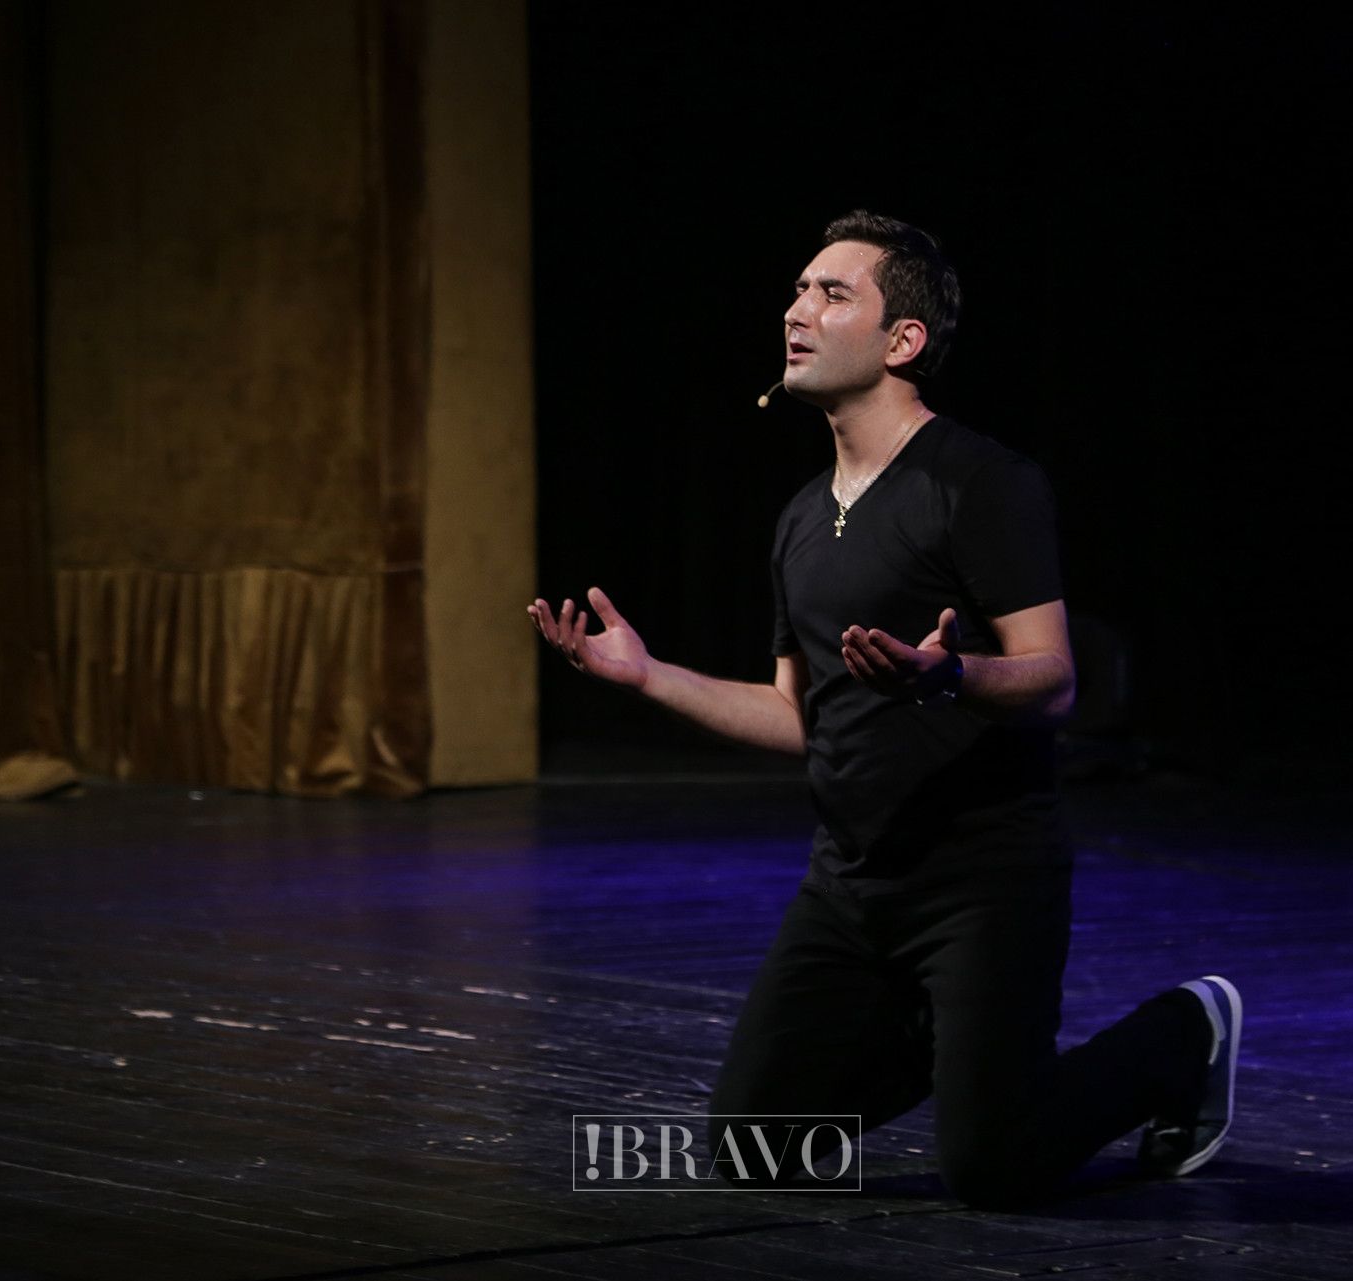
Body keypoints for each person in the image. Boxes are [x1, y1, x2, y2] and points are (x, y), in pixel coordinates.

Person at [528, 211, 1241, 1208]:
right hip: (852, 885)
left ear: (903, 339)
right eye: (797, 290)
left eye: (832, 293)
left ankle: (1186, 1031)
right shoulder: (800, 519)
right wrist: (648, 676)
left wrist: (948, 677)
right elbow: (798, 717)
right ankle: (957, 1050)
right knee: (753, 1150)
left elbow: (1055, 679)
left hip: (981, 879)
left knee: (994, 1169)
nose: (797, 311)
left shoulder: (980, 483)